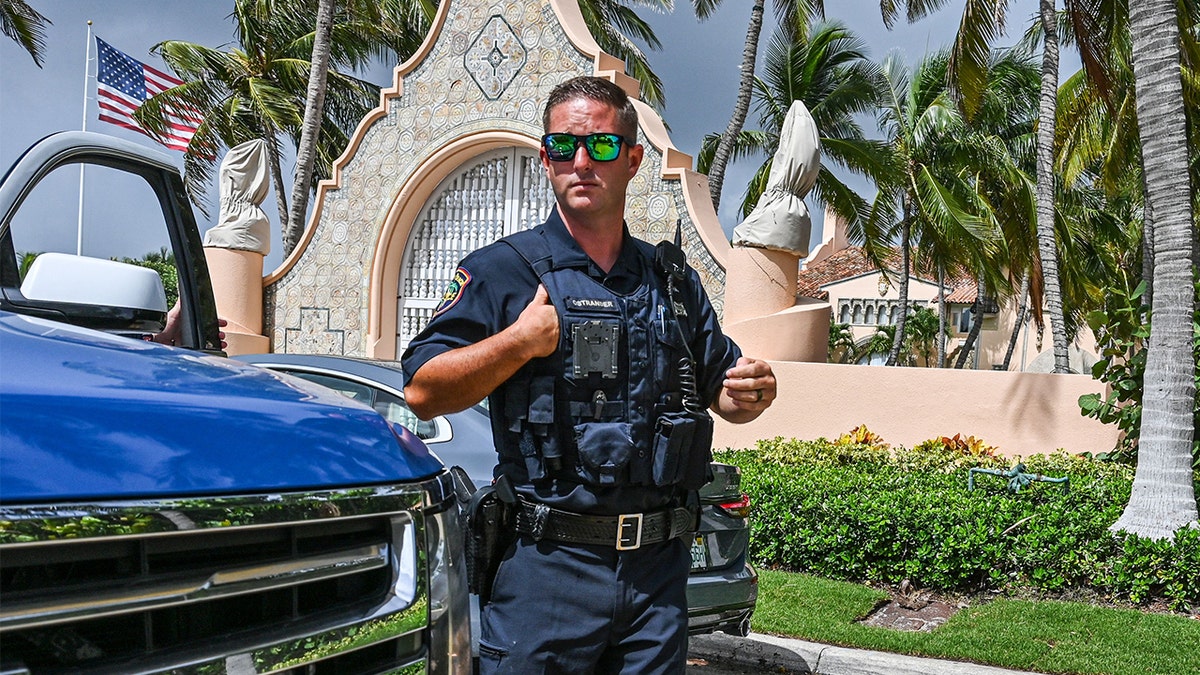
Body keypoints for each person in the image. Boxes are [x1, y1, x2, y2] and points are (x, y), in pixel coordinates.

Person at [402, 75, 776, 674]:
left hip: (657, 576)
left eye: (601, 147)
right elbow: (423, 390)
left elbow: (724, 392)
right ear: (545, 157)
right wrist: (517, 343)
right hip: (547, 570)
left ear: (631, 161)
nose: (580, 162)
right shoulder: (504, 271)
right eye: (561, 146)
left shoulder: (672, 282)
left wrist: (751, 390)